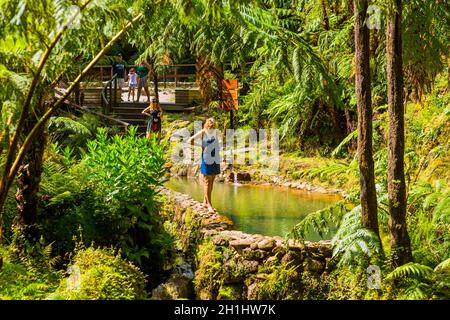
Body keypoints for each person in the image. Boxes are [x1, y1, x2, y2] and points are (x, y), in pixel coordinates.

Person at [187, 118, 221, 214]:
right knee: (206, 181)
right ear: (207, 125)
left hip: (215, 158)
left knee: (211, 181)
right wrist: (200, 147)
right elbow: (190, 139)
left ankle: (205, 202)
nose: (212, 126)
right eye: (210, 125)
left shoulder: (217, 132)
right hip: (206, 157)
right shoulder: (203, 132)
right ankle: (209, 205)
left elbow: (221, 141)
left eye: (213, 125)